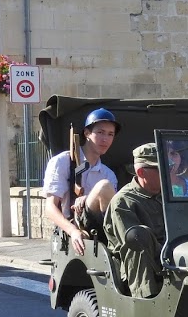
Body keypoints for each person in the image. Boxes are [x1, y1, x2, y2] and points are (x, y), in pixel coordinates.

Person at [42, 108, 119, 255]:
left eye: (110, 134)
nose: (105, 139)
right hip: (72, 228)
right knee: (104, 186)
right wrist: (73, 231)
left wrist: (88, 198)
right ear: (87, 133)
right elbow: (50, 207)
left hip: (101, 229)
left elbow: (112, 209)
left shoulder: (108, 173)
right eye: (100, 132)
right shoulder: (62, 161)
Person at [103, 143, 167, 299]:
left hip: (167, 254)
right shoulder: (123, 201)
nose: (167, 173)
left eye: (168, 167)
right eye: (160, 169)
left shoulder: (167, 196)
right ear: (141, 172)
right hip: (139, 264)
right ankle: (144, 298)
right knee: (138, 237)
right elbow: (133, 240)